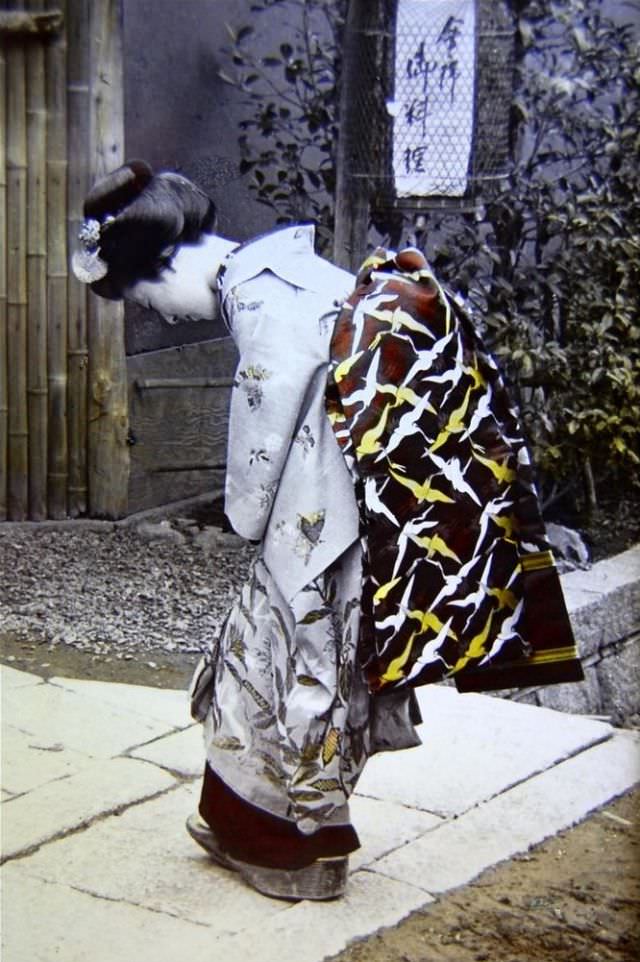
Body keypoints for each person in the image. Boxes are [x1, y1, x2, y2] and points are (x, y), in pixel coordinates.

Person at [73, 160, 583, 901]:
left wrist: (243, 515)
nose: (162, 313)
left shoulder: (258, 300)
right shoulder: (290, 268)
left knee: (283, 678)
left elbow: (262, 426)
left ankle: (295, 857)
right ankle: (254, 828)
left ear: (169, 261)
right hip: (363, 499)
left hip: (316, 523)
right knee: (292, 670)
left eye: (145, 293)